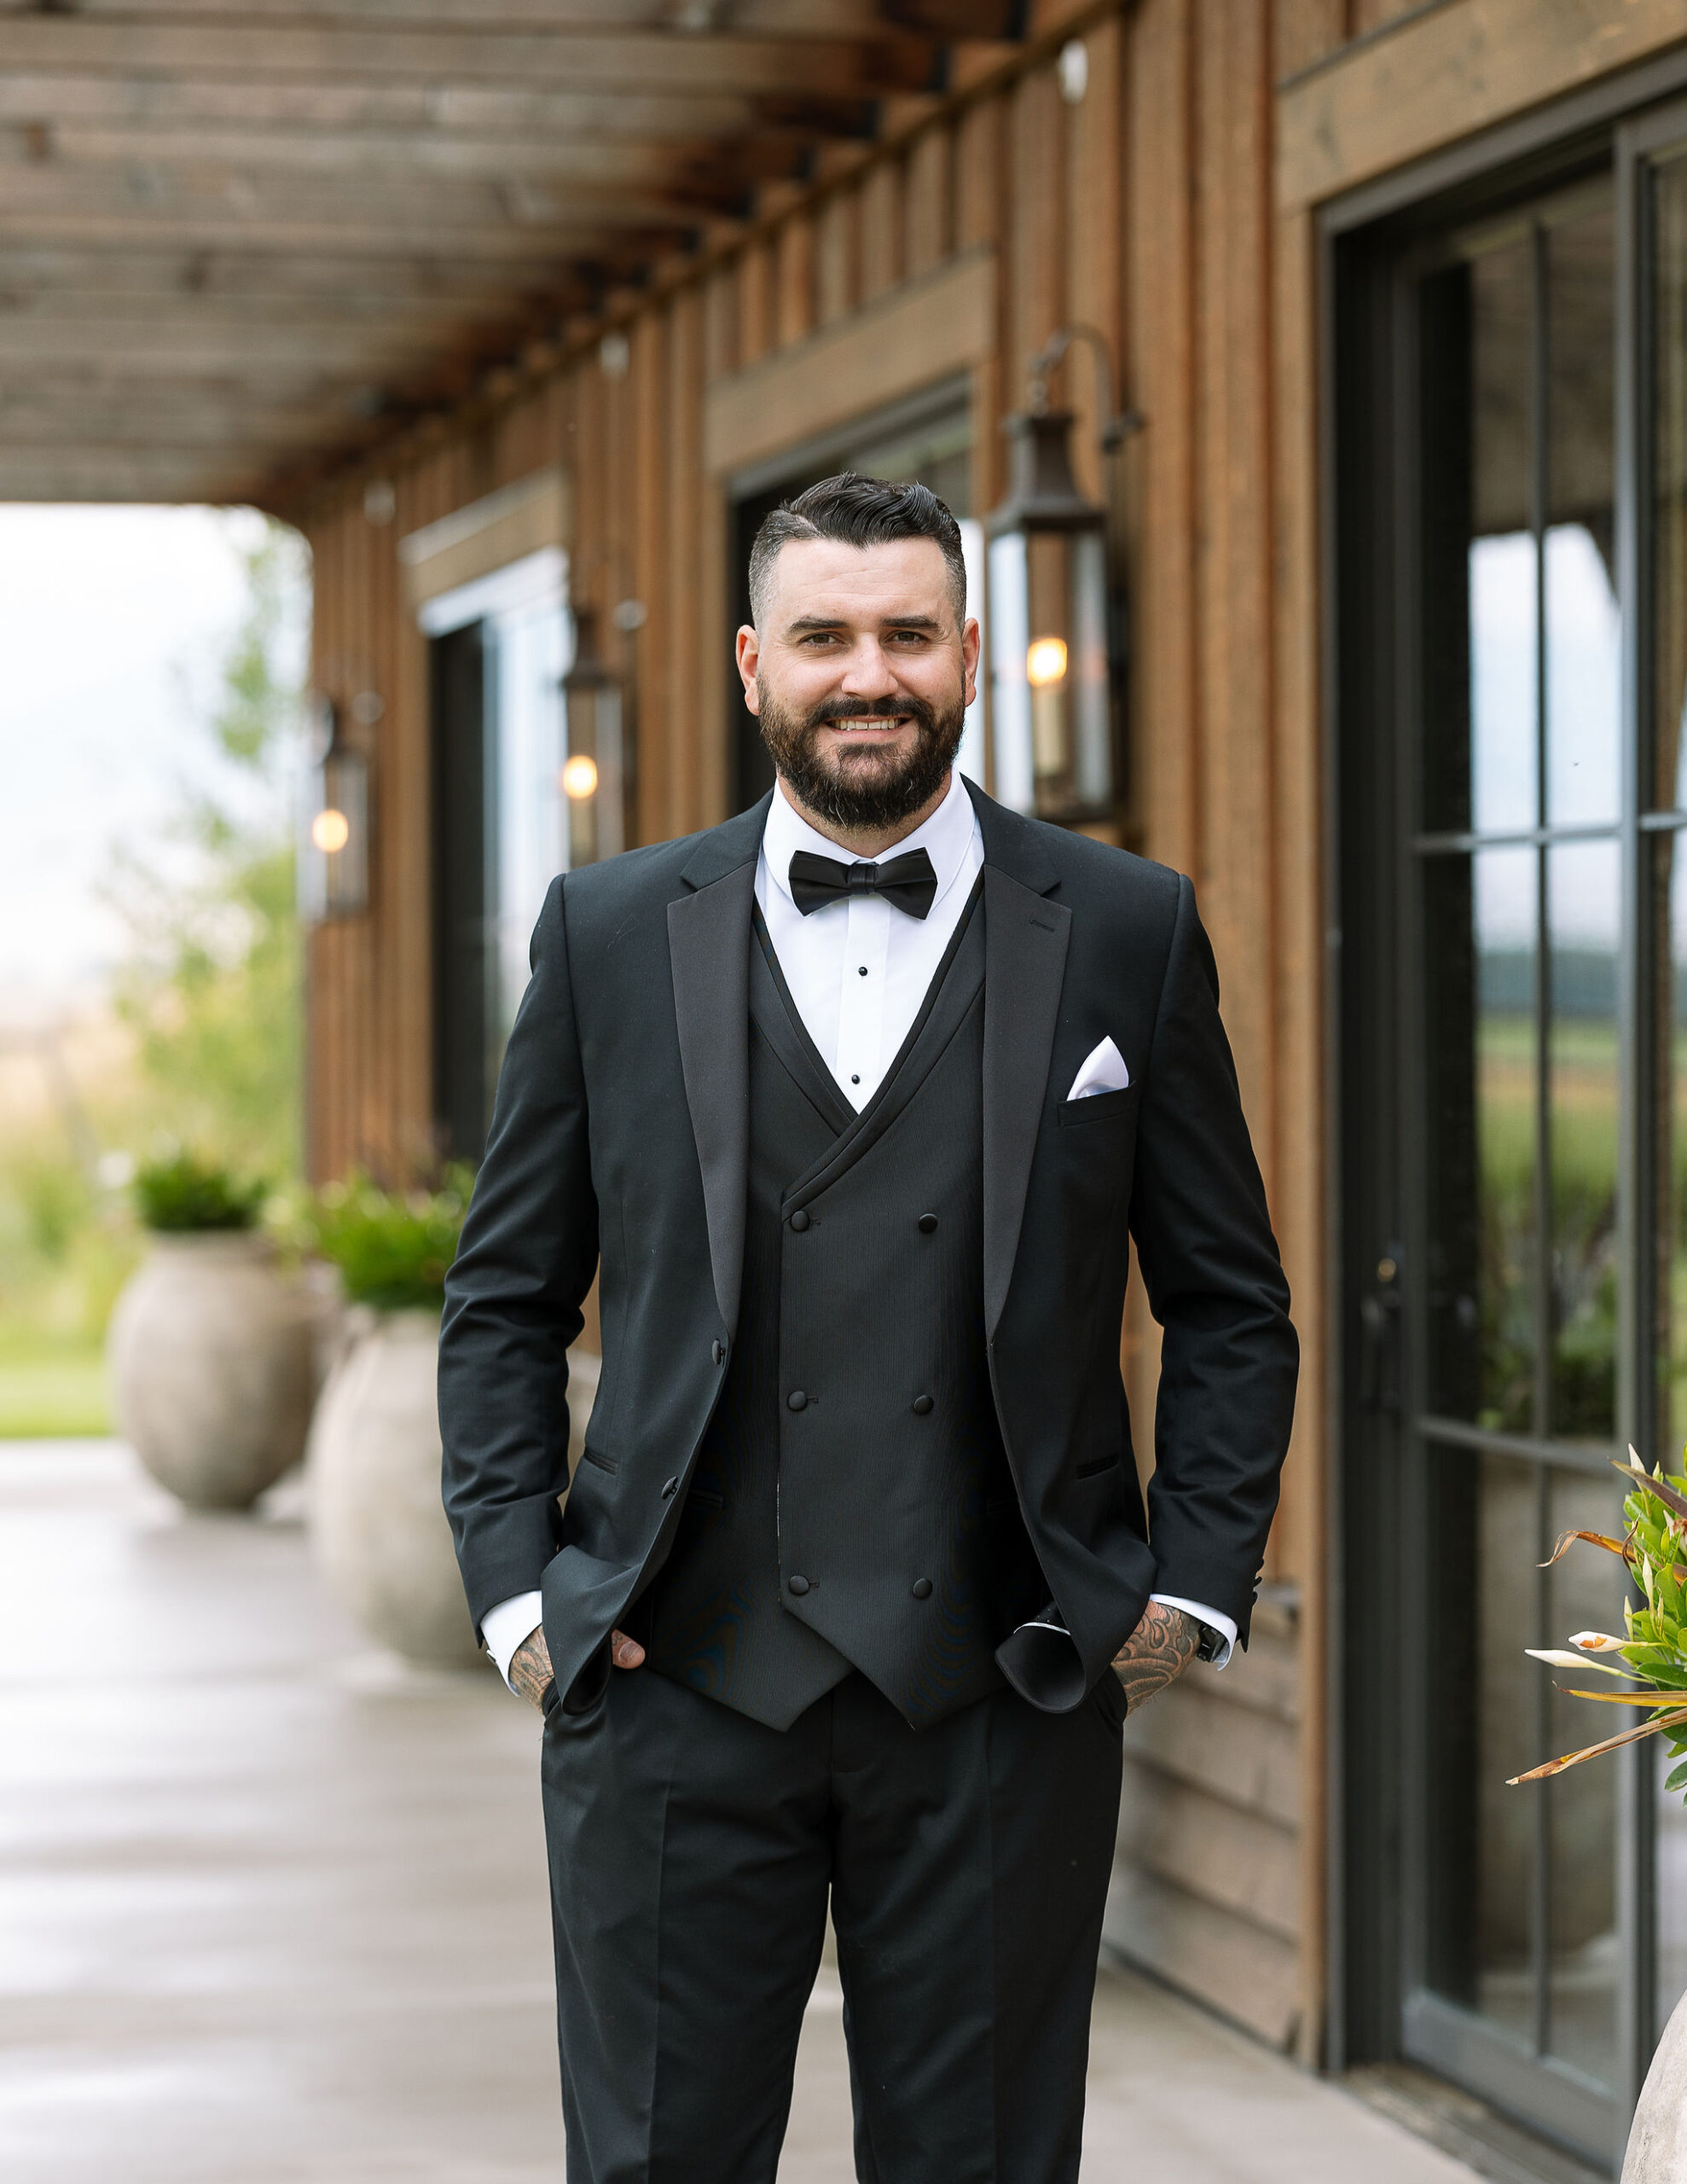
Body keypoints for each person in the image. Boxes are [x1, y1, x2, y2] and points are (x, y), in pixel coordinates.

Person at [439, 473, 1297, 2184]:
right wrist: (524, 1596)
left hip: (999, 1695)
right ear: (753, 662)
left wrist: (1186, 1589)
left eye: (907, 632)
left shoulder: (1123, 926)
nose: (866, 673)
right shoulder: (608, 933)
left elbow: (1226, 1296)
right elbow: (503, 1292)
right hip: (671, 1686)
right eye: (823, 636)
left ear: (971, 656)